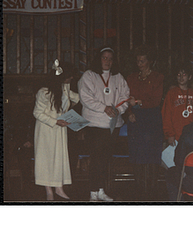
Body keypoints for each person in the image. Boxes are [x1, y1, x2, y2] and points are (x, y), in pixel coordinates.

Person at [78, 47, 130, 202]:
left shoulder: (118, 77)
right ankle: (93, 192)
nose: (107, 61)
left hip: (113, 125)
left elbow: (125, 96)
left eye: (110, 58)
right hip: (94, 124)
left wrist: (118, 109)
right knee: (96, 159)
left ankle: (101, 190)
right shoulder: (89, 75)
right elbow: (85, 98)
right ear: (98, 59)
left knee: (106, 159)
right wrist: (104, 108)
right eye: (104, 58)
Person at [33, 59, 79, 201]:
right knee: (46, 160)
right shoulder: (44, 92)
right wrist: (55, 121)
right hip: (46, 130)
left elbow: (76, 98)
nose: (71, 78)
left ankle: (59, 188)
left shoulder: (64, 89)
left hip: (60, 130)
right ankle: (49, 191)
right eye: (69, 75)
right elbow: (37, 113)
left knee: (59, 158)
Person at [126, 45, 164, 196]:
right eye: (138, 61)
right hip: (135, 118)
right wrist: (129, 112)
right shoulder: (131, 78)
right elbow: (126, 98)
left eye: (142, 61)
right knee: (137, 153)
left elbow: (155, 100)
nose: (139, 64)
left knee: (152, 154)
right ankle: (139, 189)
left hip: (152, 117)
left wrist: (139, 102)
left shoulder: (158, 77)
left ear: (150, 61)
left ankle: (152, 190)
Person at [162, 62, 193, 147]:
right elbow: (166, 115)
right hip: (175, 136)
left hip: (191, 136)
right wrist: (170, 134)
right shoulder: (171, 94)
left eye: (184, 74)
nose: (181, 77)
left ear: (189, 77)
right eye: (178, 74)